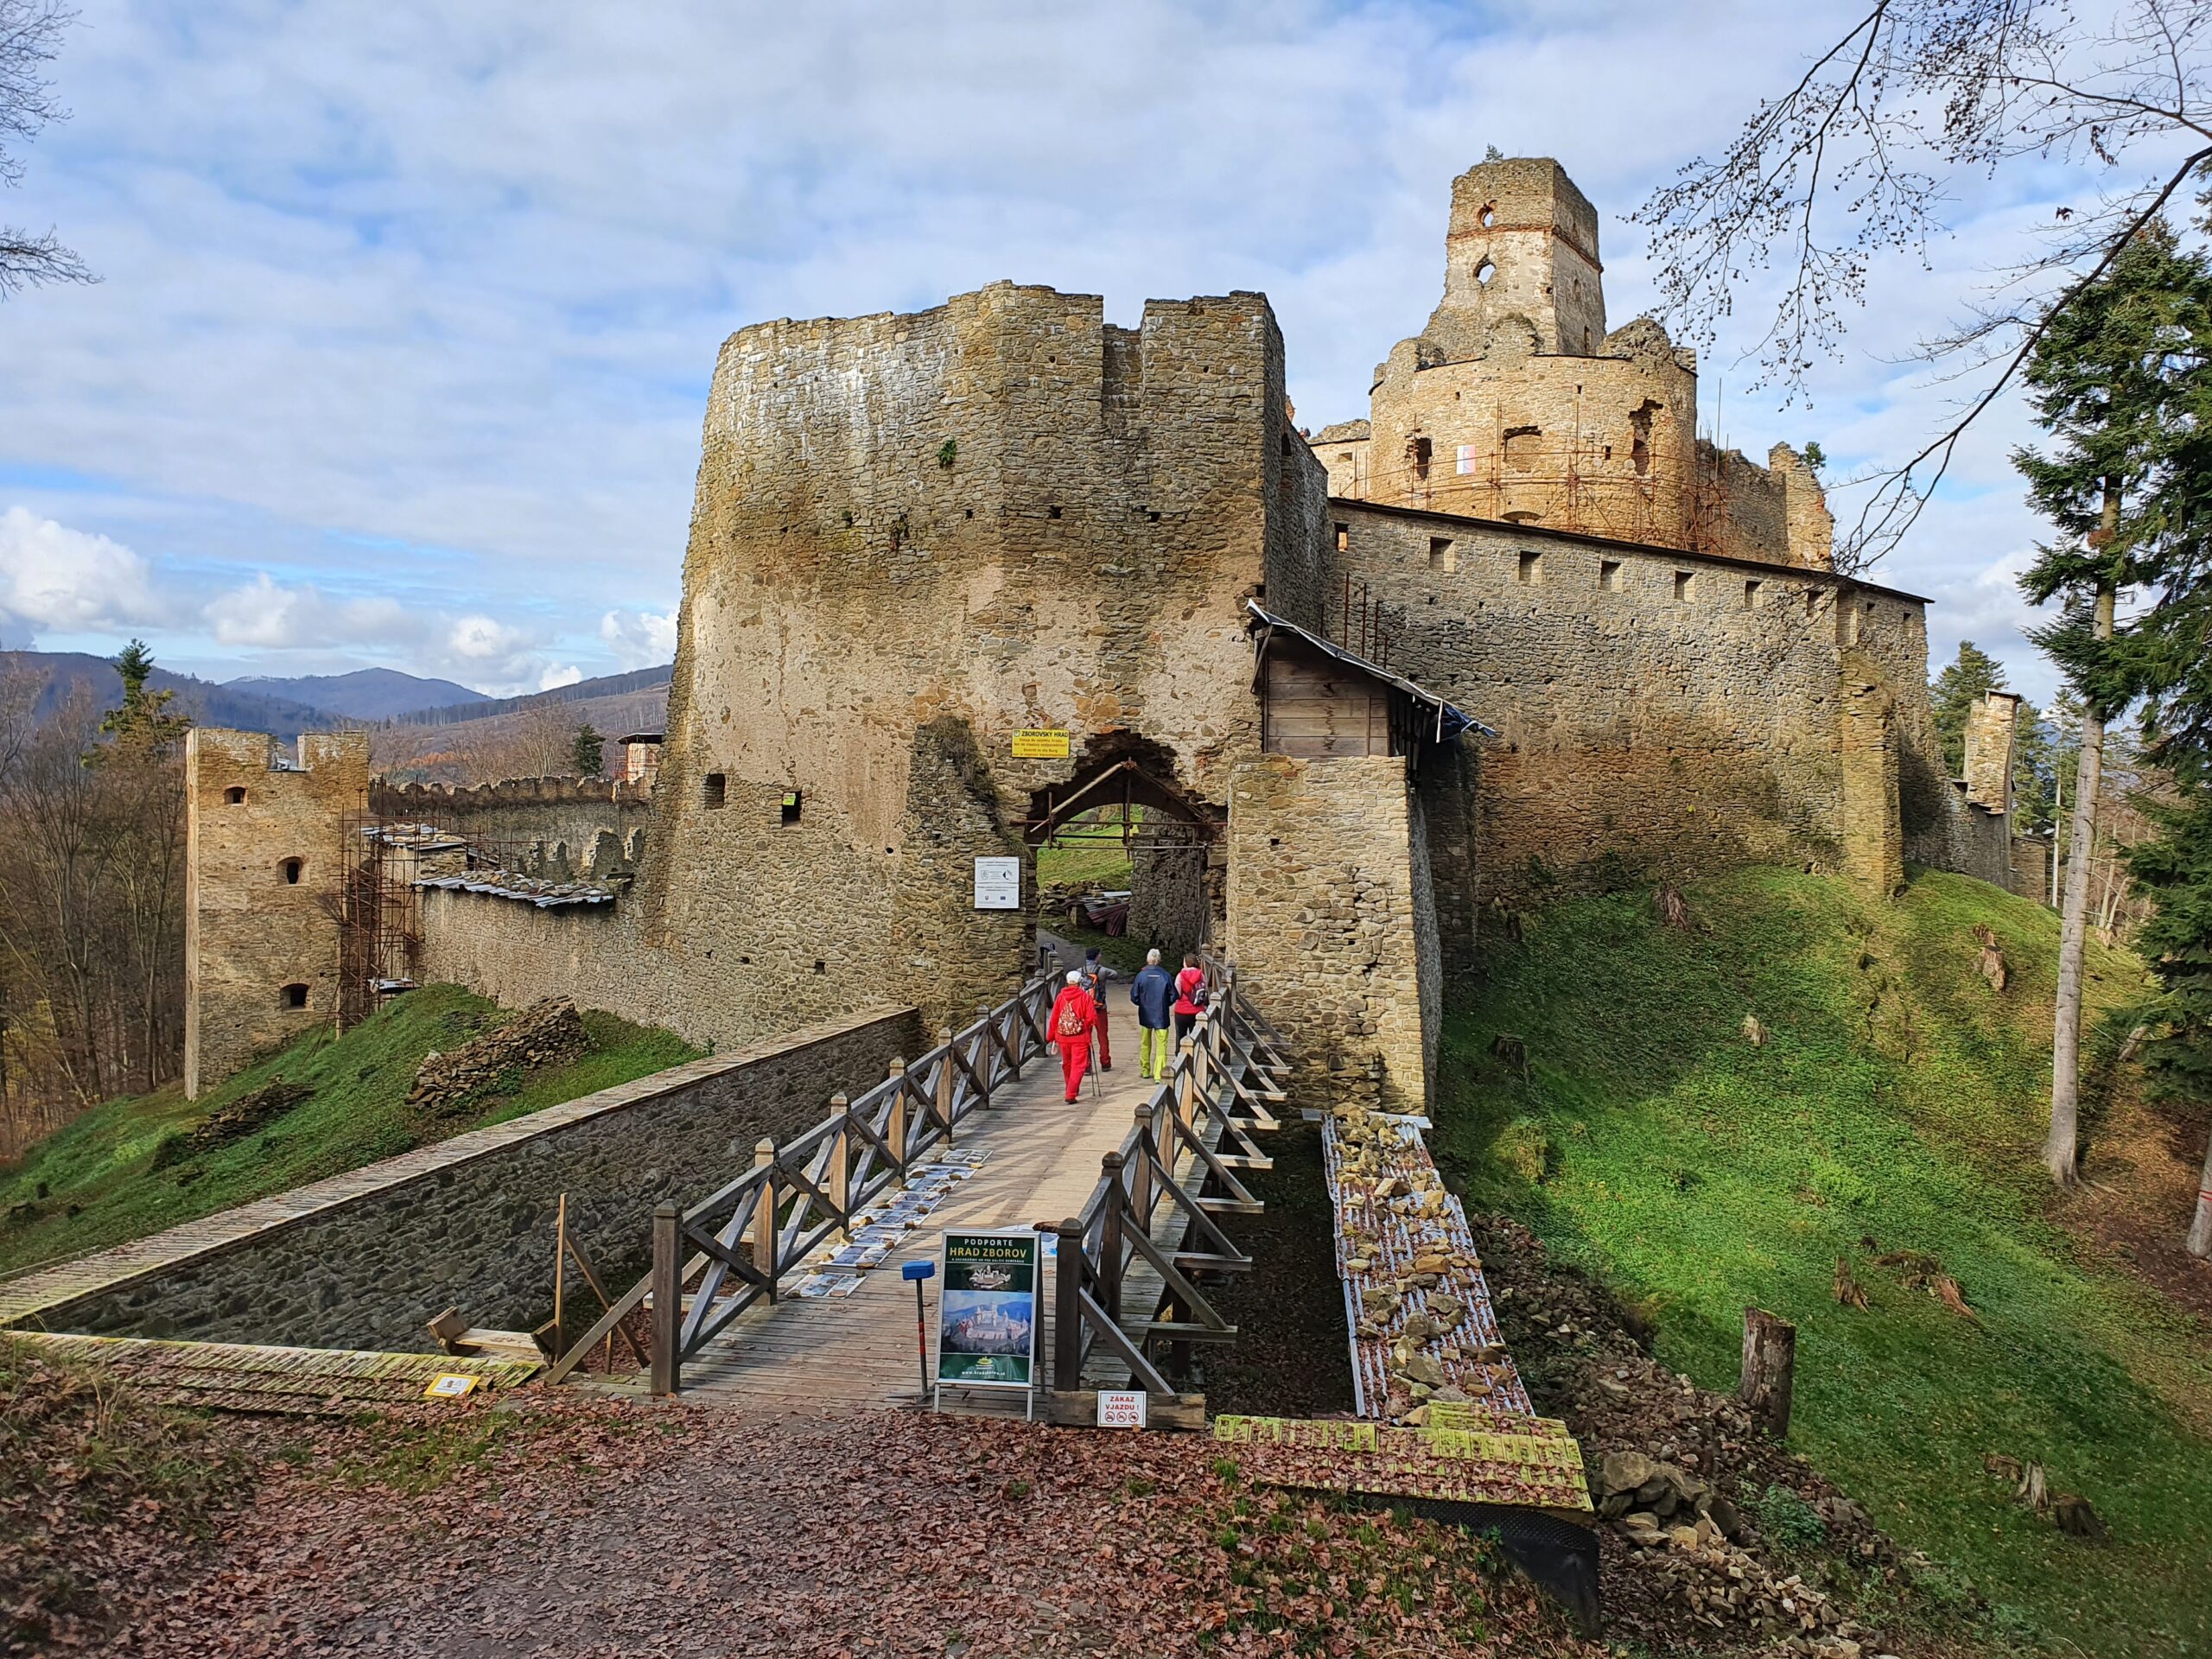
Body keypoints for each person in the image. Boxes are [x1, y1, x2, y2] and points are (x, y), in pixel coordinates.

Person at [1047, 969, 1098, 1103]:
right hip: (1079, 1037)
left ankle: (1070, 1087)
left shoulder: (1060, 997)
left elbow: (1054, 1018)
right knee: (1079, 1065)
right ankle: (1071, 1093)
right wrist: (1085, 1025)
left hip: (1062, 1036)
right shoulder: (1084, 997)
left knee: (1067, 1064)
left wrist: (1051, 1036)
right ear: (1079, 982)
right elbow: (1092, 1018)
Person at [1129, 948, 1176, 1080]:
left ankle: (1145, 1070)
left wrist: (1143, 1004)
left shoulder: (1141, 976)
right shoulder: (1165, 975)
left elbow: (1134, 996)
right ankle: (1159, 1074)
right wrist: (1165, 1004)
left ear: (1147, 960)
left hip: (1145, 1014)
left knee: (1145, 1042)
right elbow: (1173, 995)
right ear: (1159, 960)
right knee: (1162, 1045)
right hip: (1161, 1015)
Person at [1077, 946, 1115, 1072]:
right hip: (1100, 1007)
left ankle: (1087, 1065)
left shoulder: (1080, 971)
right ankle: (1105, 1063)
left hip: (1084, 1009)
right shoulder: (1102, 971)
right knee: (1102, 1036)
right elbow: (1115, 975)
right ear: (1097, 956)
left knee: (1086, 1037)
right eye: (1100, 955)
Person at [1172, 953, 1208, 1047]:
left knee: (1180, 1036)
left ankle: (1179, 1057)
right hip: (1197, 1011)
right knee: (1196, 1038)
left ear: (1186, 963)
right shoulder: (1201, 975)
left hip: (1182, 1011)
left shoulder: (1180, 976)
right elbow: (1204, 990)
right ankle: (1196, 1059)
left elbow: (1178, 994)